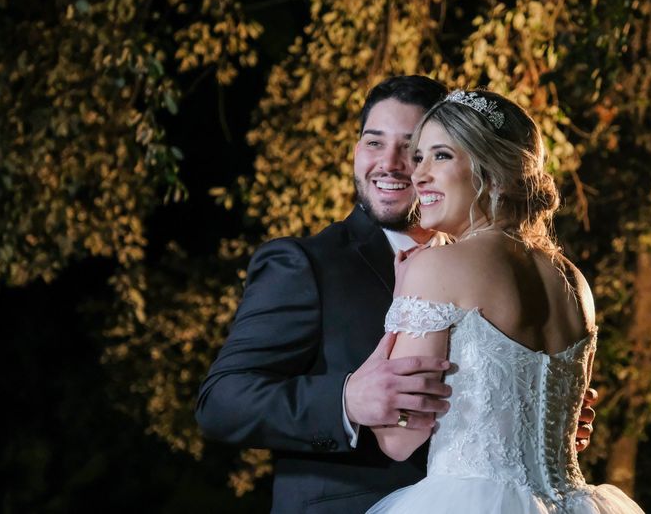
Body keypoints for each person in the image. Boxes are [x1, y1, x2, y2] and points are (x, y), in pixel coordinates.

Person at [195, 76, 597, 514]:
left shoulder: (457, 265)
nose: (393, 163)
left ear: (477, 159)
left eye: (415, 149)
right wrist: (346, 401)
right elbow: (221, 402)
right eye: (372, 142)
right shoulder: (305, 264)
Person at [366, 90, 643, 513]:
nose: (417, 175)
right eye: (418, 157)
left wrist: (400, 306)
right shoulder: (574, 280)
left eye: (440, 156)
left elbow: (399, 440)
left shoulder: (434, 269)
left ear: (492, 169)